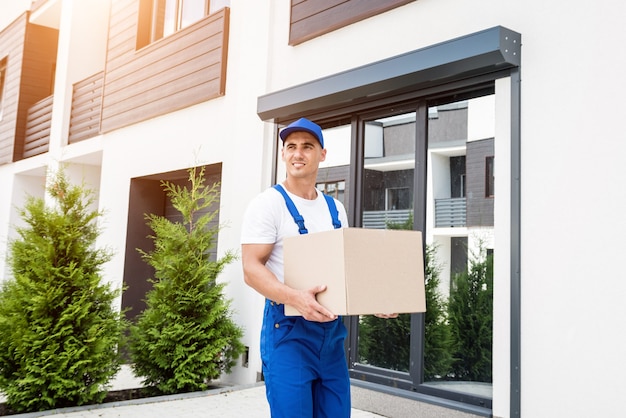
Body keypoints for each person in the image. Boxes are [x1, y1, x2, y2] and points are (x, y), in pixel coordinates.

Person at [240, 117, 351, 417]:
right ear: (283, 154)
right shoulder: (268, 204)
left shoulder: (335, 209)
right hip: (288, 335)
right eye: (290, 147)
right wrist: (294, 297)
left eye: (306, 146)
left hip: (331, 338)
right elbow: (251, 268)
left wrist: (375, 301)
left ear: (322, 154)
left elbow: (344, 269)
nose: (297, 153)